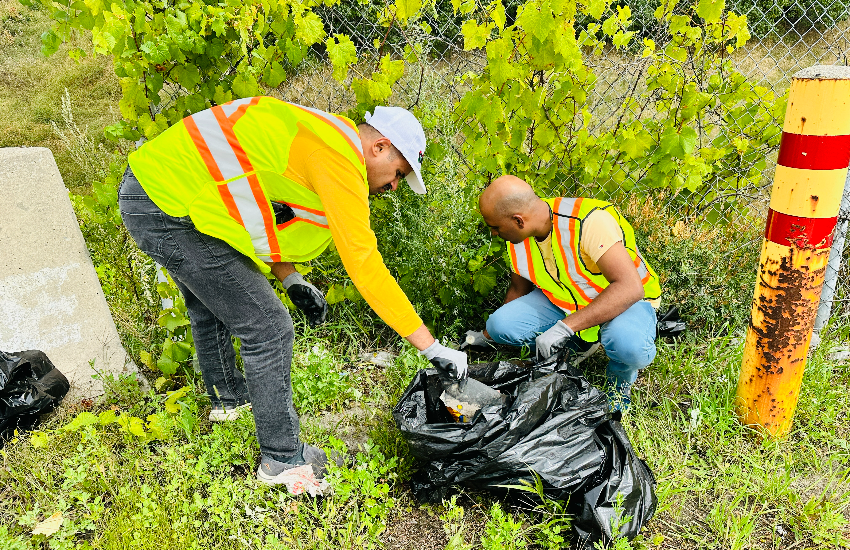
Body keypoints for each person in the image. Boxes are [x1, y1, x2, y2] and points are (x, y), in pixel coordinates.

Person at [117, 97, 468, 485]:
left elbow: (259, 209)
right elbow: (365, 264)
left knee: (212, 302)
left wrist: (289, 278)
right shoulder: (338, 157)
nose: (394, 185)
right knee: (269, 327)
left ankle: (230, 404)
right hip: (165, 204)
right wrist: (431, 347)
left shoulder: (323, 139)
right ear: (380, 146)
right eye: (398, 172)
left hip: (159, 190)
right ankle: (282, 459)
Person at [462, 175, 661, 411]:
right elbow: (518, 289)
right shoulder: (519, 234)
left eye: (495, 227)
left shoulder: (588, 221)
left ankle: (619, 384)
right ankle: (579, 343)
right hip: (567, 301)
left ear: (518, 220)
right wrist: (488, 334)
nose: (493, 233)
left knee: (628, 344)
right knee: (500, 324)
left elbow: (630, 288)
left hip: (625, 303)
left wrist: (563, 328)